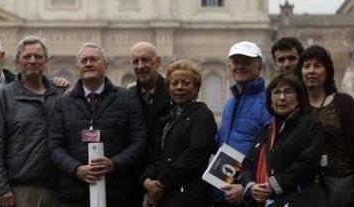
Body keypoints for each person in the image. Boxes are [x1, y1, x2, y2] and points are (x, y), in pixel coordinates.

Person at [48, 42, 147, 207]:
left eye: (93, 59)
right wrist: (76, 169)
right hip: (74, 194)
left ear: (105, 66)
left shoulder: (128, 99)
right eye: (84, 60)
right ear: (78, 67)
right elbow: (54, 145)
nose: (88, 64)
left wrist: (114, 164)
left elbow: (139, 140)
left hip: (117, 192)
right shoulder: (62, 103)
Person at [0, 36, 61, 207]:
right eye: (27, 57)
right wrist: (2, 189)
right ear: (18, 61)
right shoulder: (4, 96)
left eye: (38, 57)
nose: (32, 61)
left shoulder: (60, 95)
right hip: (20, 191)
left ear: (46, 61)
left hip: (58, 189)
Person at [226, 74, 325, 206]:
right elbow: (247, 165)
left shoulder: (311, 125)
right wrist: (252, 186)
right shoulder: (266, 130)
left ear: (299, 98)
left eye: (288, 92)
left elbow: (307, 163)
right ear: (270, 100)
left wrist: (273, 185)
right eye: (277, 92)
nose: (282, 97)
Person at [139, 60, 217, 207]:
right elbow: (156, 155)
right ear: (168, 88)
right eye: (174, 83)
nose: (179, 87)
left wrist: (161, 183)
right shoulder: (166, 119)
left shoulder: (202, 114)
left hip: (189, 195)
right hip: (165, 196)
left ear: (196, 88)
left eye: (186, 83)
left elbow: (194, 154)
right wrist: (147, 180)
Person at [298, 44, 354, 207]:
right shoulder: (297, 107)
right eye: (306, 66)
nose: (311, 71)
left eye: (317, 66)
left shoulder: (343, 102)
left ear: (327, 71)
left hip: (342, 186)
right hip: (308, 187)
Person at [215, 40, 272, 205]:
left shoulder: (268, 103)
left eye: (246, 62)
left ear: (259, 67)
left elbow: (271, 153)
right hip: (225, 190)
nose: (239, 66)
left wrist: (246, 186)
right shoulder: (230, 103)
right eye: (235, 62)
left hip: (250, 193)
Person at [128, 41, 172, 179]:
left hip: (166, 175)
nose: (140, 66)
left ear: (158, 62)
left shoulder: (175, 94)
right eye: (136, 62)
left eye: (145, 60)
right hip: (135, 176)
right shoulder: (127, 96)